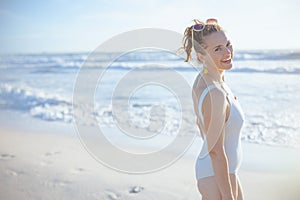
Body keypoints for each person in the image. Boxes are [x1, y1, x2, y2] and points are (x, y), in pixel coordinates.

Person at [182, 19, 245, 200]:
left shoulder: (210, 81)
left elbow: (201, 125)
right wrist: (228, 196)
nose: (227, 52)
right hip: (215, 176)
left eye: (228, 44)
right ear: (201, 55)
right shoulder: (215, 93)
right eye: (218, 49)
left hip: (224, 173)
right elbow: (215, 150)